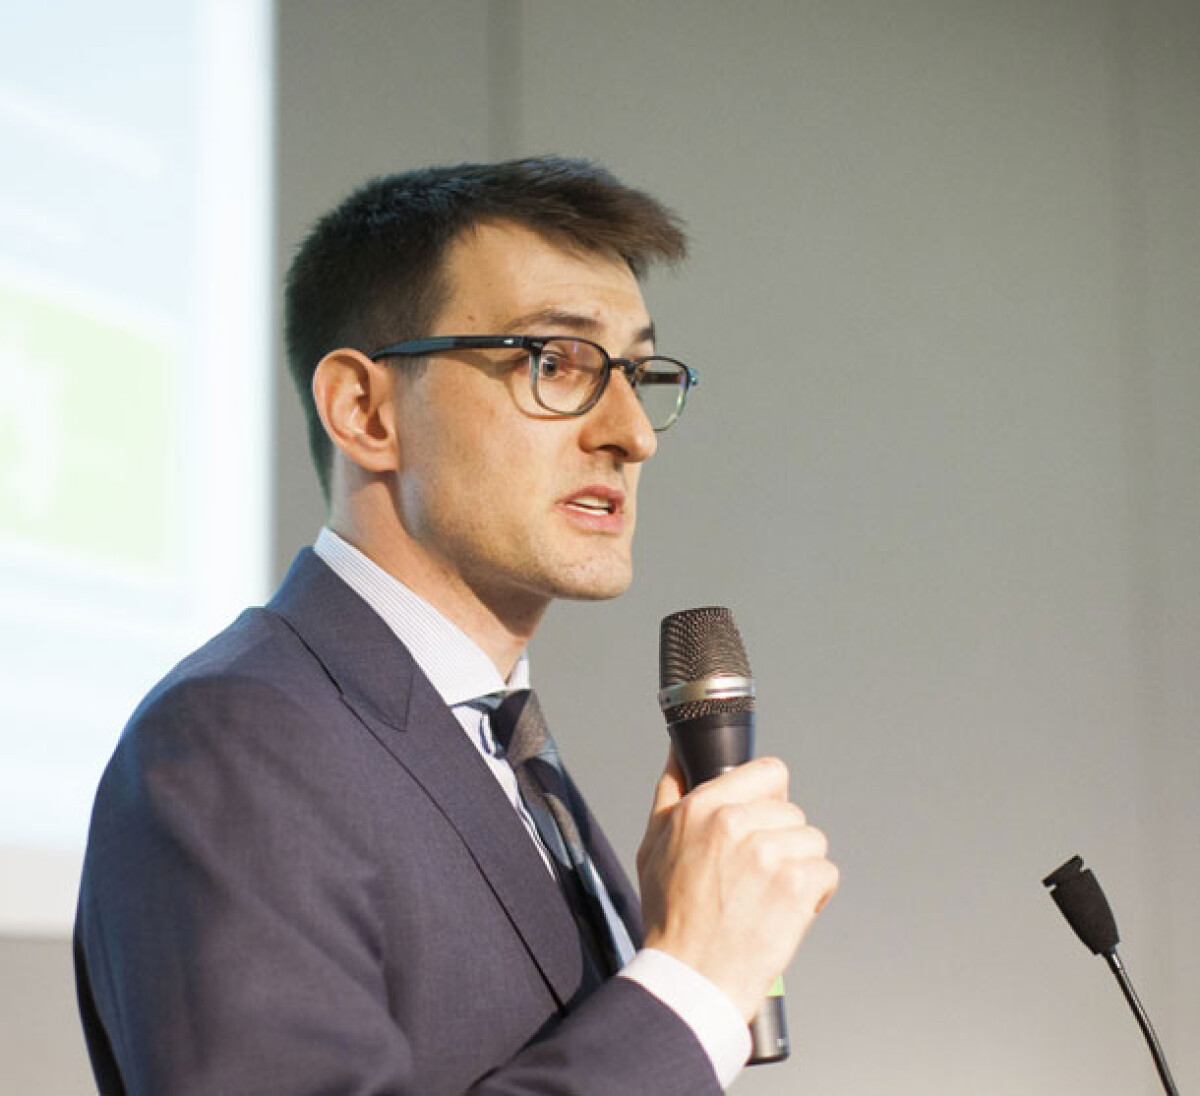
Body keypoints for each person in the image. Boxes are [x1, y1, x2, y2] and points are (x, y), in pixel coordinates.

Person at [74, 157, 838, 1095]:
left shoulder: (507, 748)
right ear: (365, 411)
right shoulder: (233, 742)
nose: (632, 433)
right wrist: (691, 982)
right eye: (556, 362)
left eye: (638, 374)